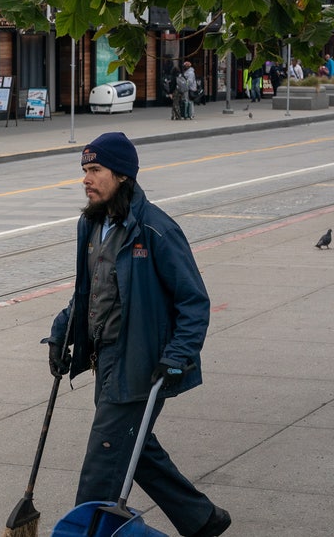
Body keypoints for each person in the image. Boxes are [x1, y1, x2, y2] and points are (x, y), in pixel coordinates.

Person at [45, 132, 231, 537]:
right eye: (84, 170)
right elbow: (86, 290)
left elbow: (194, 301)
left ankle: (86, 532)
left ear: (123, 175)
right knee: (136, 450)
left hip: (141, 365)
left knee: (102, 467)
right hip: (106, 361)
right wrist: (62, 333)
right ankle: (202, 519)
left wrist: (176, 356)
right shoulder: (91, 225)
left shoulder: (155, 229)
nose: (86, 179)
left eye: (95, 170)